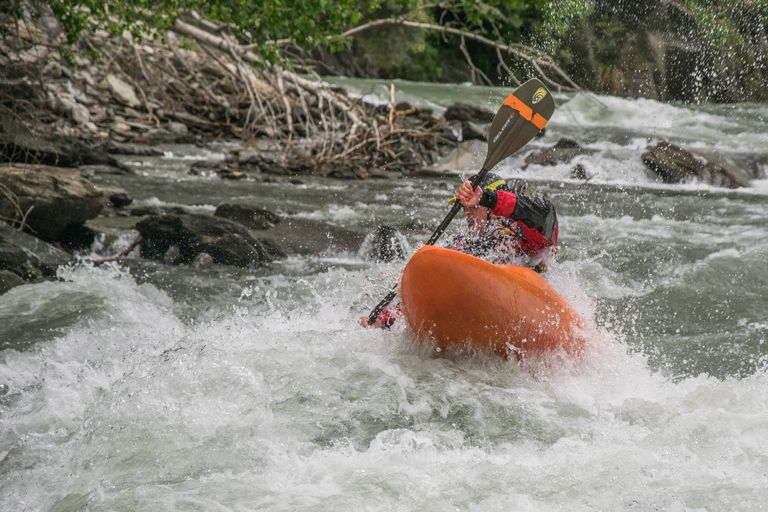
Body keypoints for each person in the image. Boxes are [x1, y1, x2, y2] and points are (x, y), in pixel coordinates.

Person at [360, 172, 559, 329]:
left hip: (531, 308)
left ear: (491, 208)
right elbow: (429, 285)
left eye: (475, 206)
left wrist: (490, 198)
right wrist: (385, 320)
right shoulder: (464, 246)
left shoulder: (521, 237)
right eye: (464, 207)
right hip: (483, 316)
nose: (468, 213)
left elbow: (545, 214)